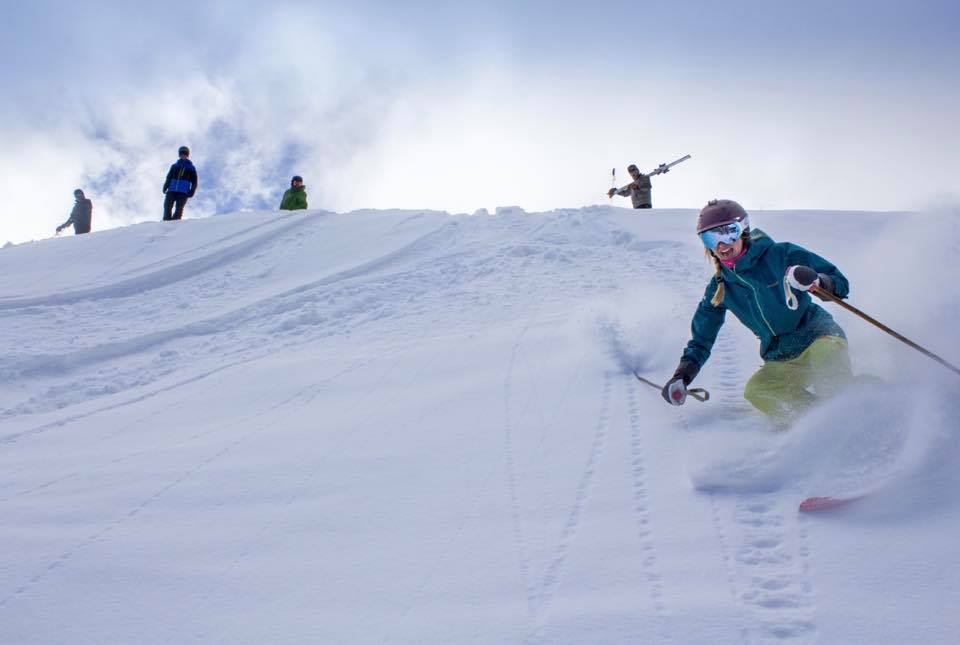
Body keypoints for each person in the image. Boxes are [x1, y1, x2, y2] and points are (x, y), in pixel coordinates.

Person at [662, 199, 853, 426]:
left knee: (826, 353)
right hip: (783, 356)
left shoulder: (781, 255)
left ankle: (851, 412)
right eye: (710, 238)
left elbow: (841, 284)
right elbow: (702, 338)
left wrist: (817, 281)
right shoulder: (720, 288)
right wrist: (682, 376)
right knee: (758, 390)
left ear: (743, 230)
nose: (721, 245)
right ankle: (822, 423)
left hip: (820, 336)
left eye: (728, 233)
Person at [162, 146, 198, 221]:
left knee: (179, 208)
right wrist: (165, 186)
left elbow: (194, 181)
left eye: (185, 153)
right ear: (179, 154)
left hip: (183, 192)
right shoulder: (174, 166)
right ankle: (166, 222)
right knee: (167, 206)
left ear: (187, 155)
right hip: (172, 189)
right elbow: (169, 177)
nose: (183, 155)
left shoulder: (191, 167)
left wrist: (192, 190)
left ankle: (175, 223)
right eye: (181, 153)